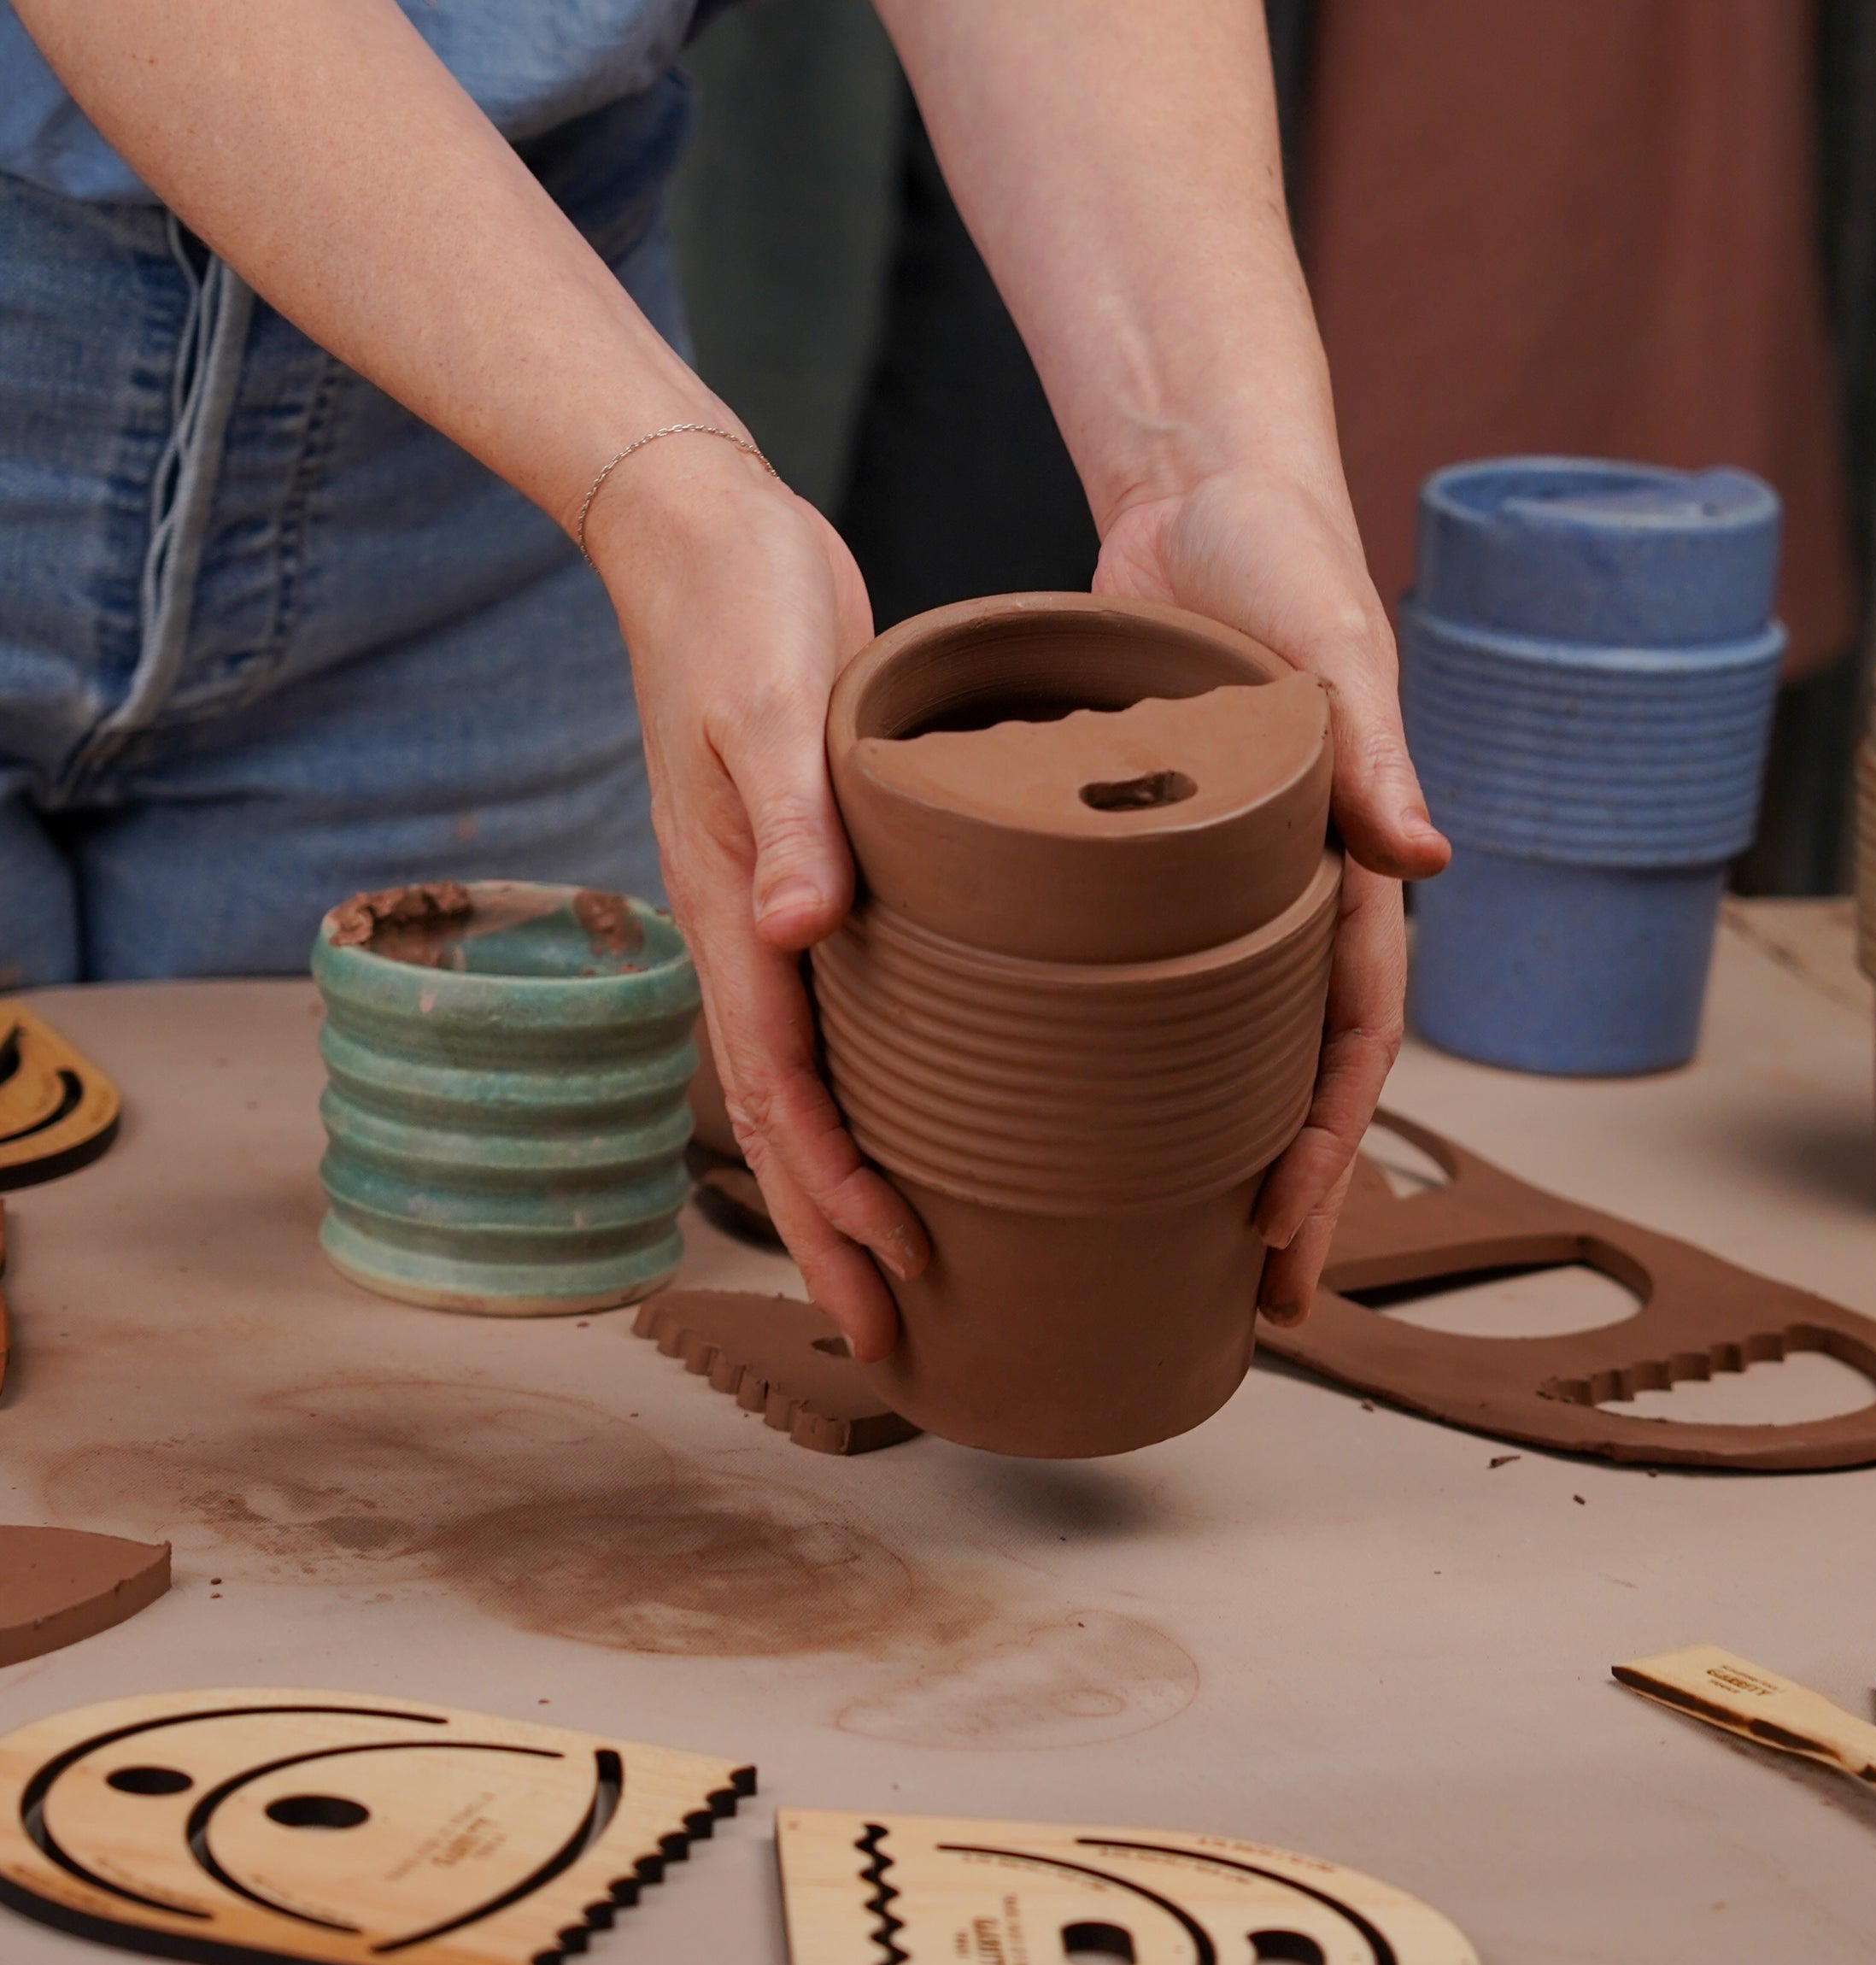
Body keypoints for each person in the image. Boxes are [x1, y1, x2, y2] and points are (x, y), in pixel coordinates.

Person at [0, 0, 1448, 1360]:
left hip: (499, 416)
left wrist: (1207, 469)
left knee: (446, 1372)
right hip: (489, 393)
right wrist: (664, 497)